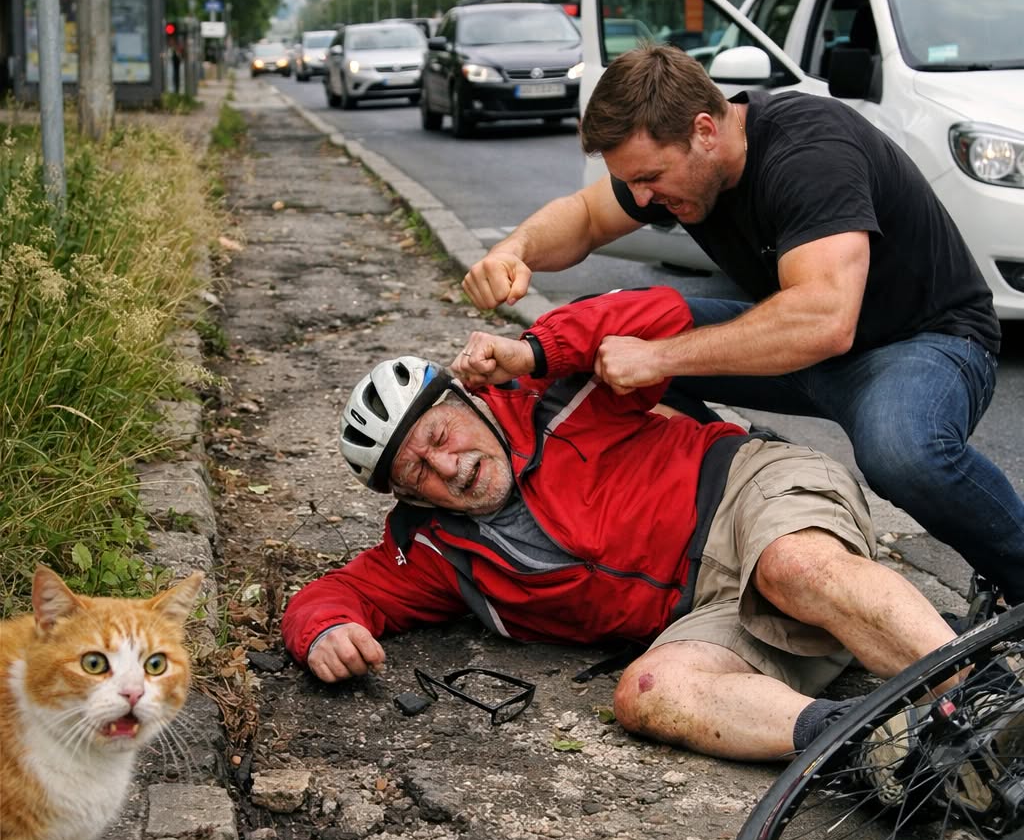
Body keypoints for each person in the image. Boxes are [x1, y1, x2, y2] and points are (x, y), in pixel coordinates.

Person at [282, 288, 958, 769]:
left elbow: (660, 313)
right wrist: (325, 632)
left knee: (792, 569)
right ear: (405, 495)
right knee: (646, 696)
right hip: (708, 614)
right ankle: (871, 747)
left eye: (438, 433)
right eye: (415, 471)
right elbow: (338, 595)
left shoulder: (559, 395)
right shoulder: (435, 551)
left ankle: (978, 697)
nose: (446, 466)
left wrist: (535, 350)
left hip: (748, 494)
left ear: (466, 399)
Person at [462, 43, 1024, 607]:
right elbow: (584, 217)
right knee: (605, 336)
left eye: (650, 178)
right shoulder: (680, 163)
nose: (641, 198)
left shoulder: (809, 151)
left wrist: (659, 358)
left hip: (927, 341)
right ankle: (728, 498)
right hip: (809, 348)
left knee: (903, 454)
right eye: (631, 183)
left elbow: (825, 318)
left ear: (705, 130)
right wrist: (515, 251)